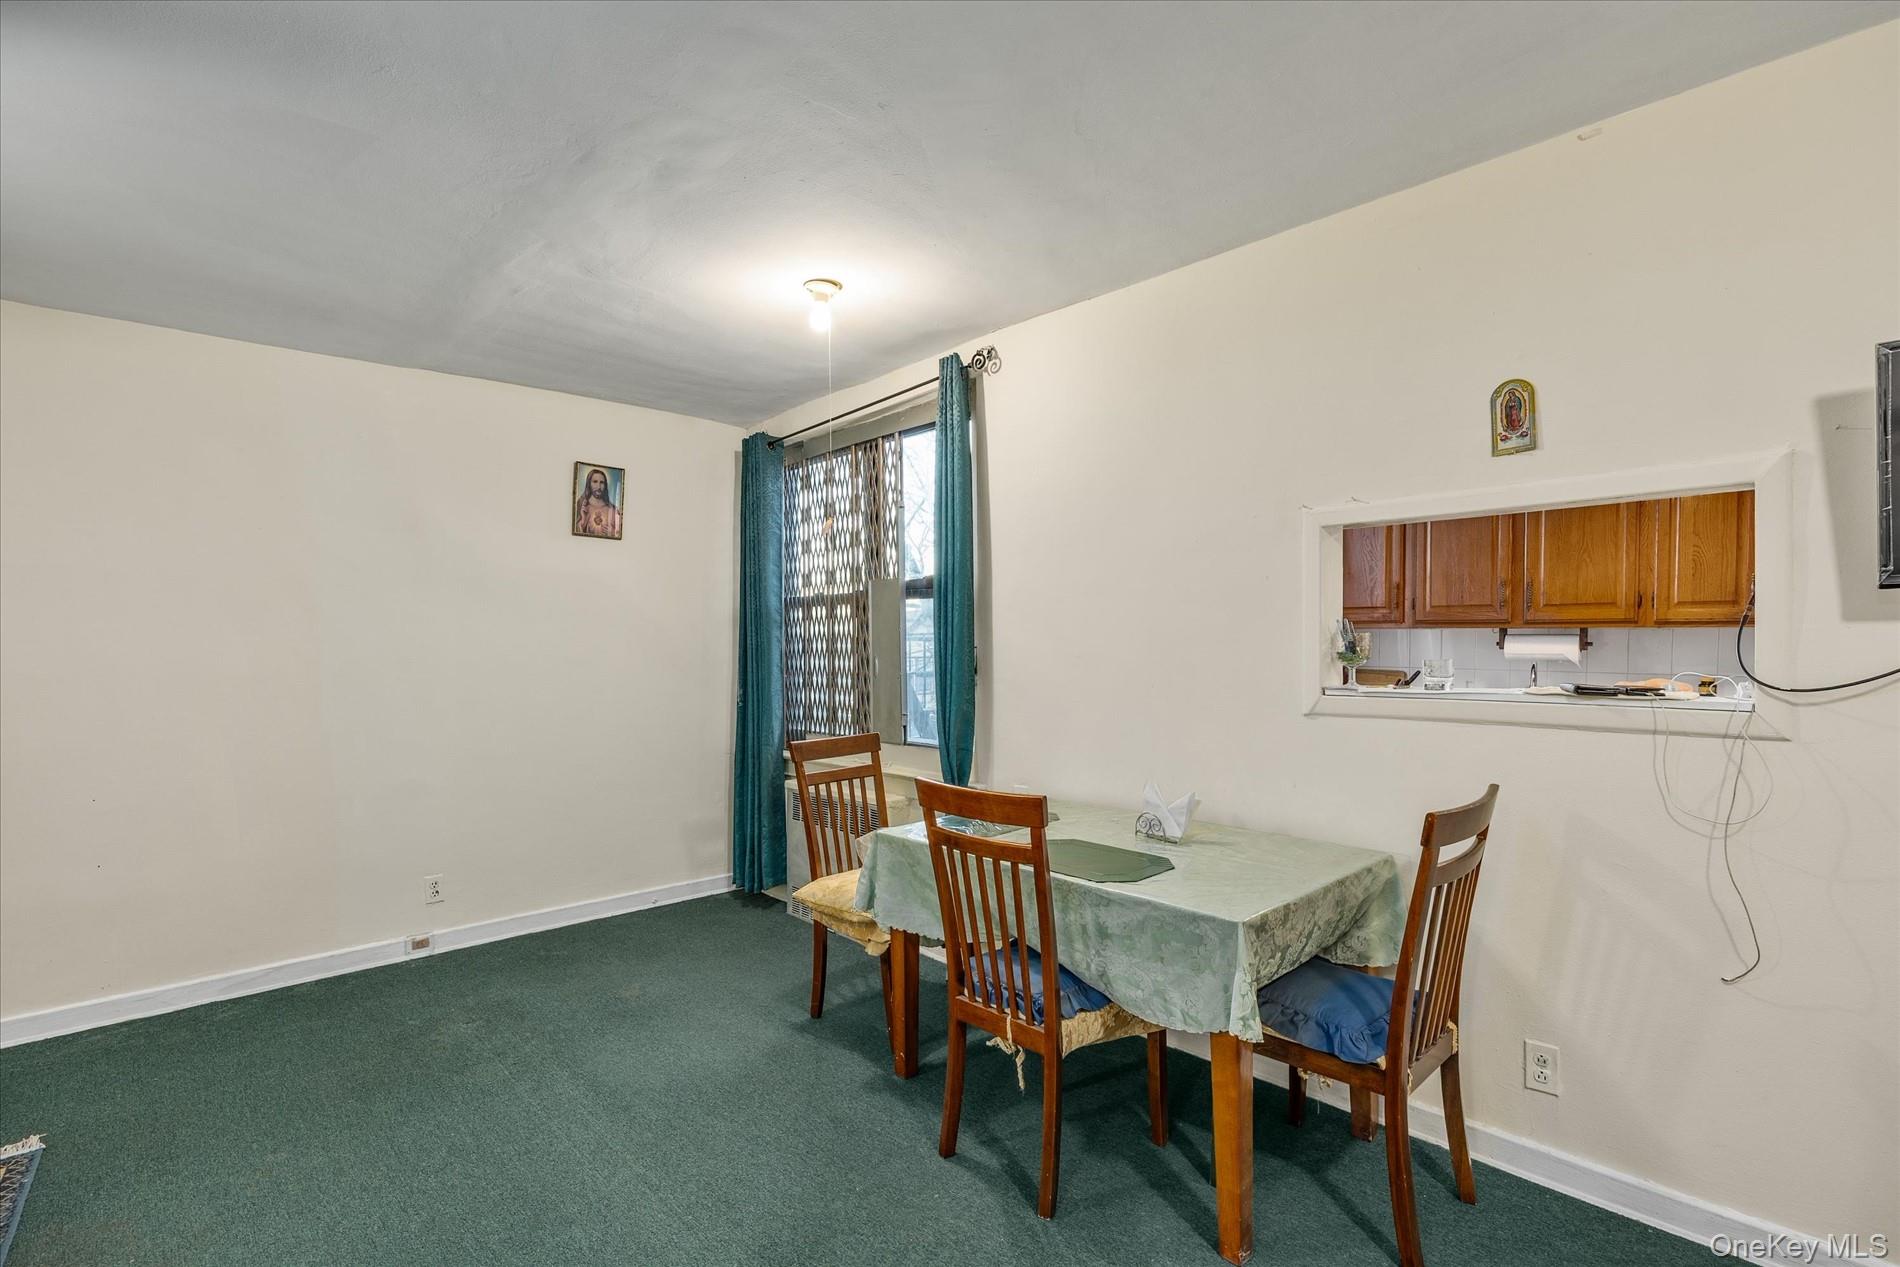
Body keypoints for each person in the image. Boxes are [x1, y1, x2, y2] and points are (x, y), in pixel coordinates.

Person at [575, 466, 621, 537]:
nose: (599, 487)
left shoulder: (613, 509)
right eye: (595, 482)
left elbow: (619, 533)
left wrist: (613, 533)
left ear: (605, 485)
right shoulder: (582, 506)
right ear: (589, 484)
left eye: (602, 482)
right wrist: (583, 521)